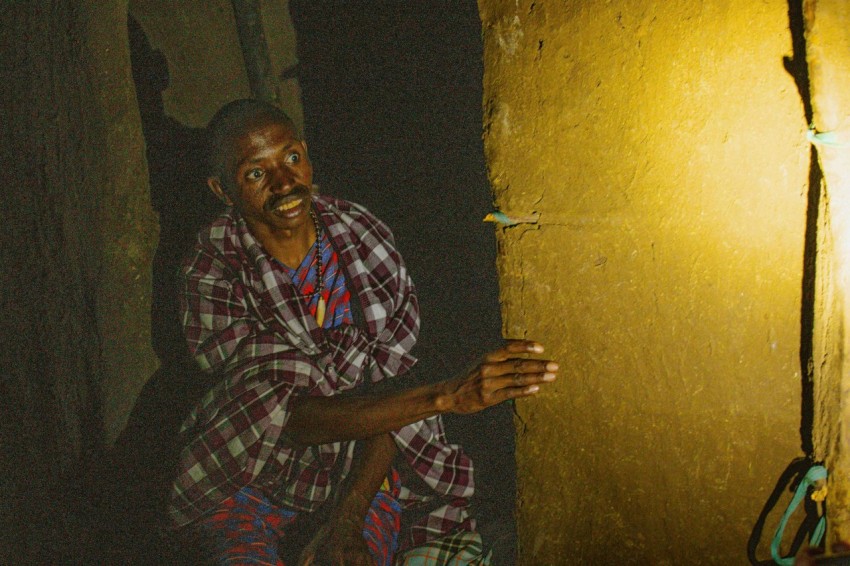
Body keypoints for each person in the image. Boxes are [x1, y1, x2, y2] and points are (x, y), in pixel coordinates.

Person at [168, 98, 558, 565]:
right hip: (253, 474)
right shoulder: (212, 270)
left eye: (292, 158)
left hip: (363, 472)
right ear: (222, 189)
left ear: (307, 156)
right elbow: (283, 416)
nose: (285, 182)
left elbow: (392, 394)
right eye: (256, 173)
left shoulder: (360, 235)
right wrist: (444, 397)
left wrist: (348, 518)